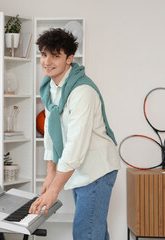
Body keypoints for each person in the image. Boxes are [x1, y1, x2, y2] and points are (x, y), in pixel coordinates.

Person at [29, 28, 121, 240]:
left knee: (86, 233)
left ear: (70, 58)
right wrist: (50, 174)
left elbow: (75, 146)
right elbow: (51, 131)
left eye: (55, 55)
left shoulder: (82, 92)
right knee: (94, 231)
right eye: (44, 54)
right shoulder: (51, 86)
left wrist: (53, 191)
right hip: (80, 168)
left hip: (96, 169)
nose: (47, 61)